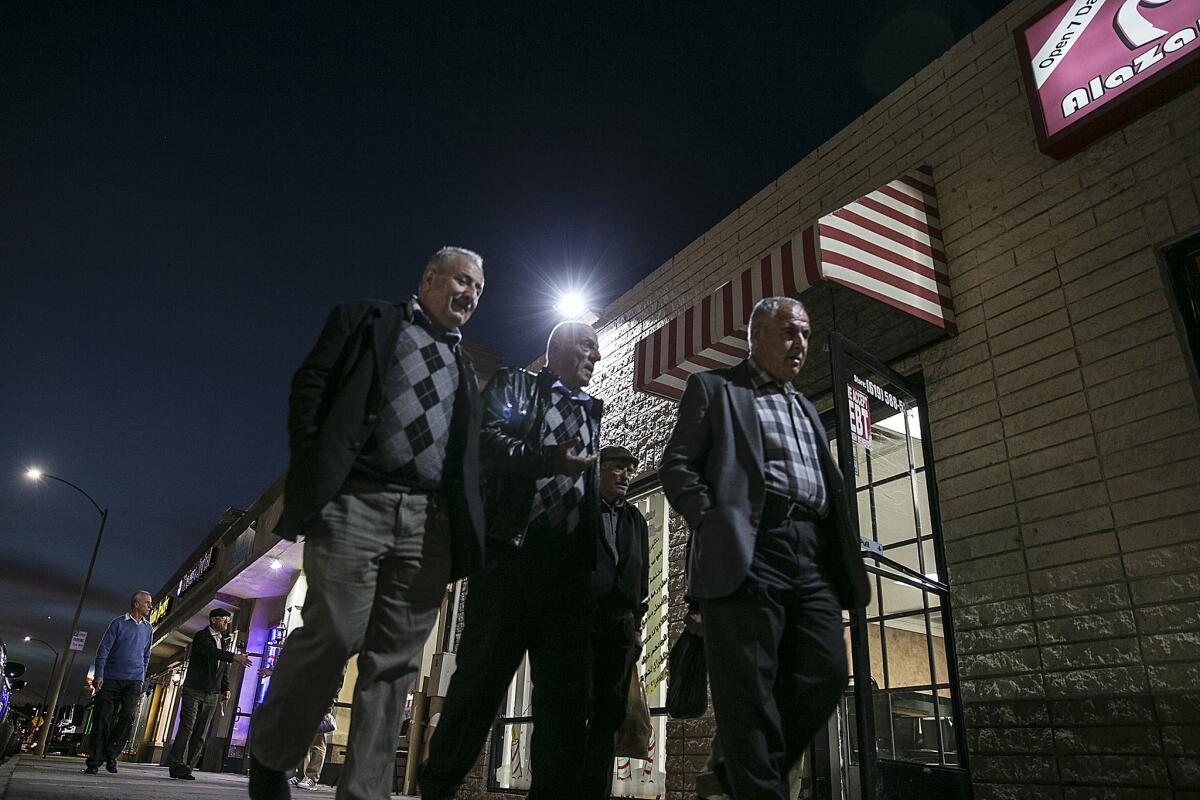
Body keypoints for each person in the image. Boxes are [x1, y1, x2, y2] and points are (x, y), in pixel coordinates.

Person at [249, 247, 487, 800]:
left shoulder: (464, 365)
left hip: (430, 523)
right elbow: (311, 387)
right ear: (429, 278)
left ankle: (364, 793)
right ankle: (271, 755)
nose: (471, 295)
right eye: (462, 281)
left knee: (395, 665)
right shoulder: (366, 320)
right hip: (357, 501)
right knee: (333, 632)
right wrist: (315, 470)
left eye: (479, 289)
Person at [659, 296, 870, 800]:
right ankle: (757, 786)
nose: (800, 344)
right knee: (750, 692)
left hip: (809, 550)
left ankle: (739, 773)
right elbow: (677, 466)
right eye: (788, 332)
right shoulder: (715, 388)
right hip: (749, 546)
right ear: (755, 336)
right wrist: (712, 522)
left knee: (826, 672)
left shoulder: (803, 406)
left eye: (804, 333)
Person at [419, 321, 603, 800]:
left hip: (568, 572)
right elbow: (484, 442)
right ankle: (438, 786)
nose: (596, 358)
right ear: (559, 348)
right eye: (588, 347)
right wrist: (546, 460)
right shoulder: (515, 384)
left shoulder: (592, 410)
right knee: (481, 678)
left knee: (566, 697)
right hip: (512, 557)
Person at [579, 444, 649, 800]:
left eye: (629, 469)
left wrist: (637, 626)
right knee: (577, 708)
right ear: (599, 469)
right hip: (582, 620)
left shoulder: (635, 519)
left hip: (620, 625)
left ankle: (597, 791)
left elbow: (642, 576)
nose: (625, 475)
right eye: (617, 468)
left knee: (609, 713)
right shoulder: (581, 509)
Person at [169, 607, 253, 780]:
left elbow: (222, 668)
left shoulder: (223, 640)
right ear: (214, 619)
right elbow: (211, 652)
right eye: (224, 619)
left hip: (212, 694)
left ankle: (188, 768)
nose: (226, 623)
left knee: (201, 732)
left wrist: (225, 688)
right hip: (194, 690)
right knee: (187, 727)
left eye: (228, 620)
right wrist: (235, 657)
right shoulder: (202, 637)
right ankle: (176, 764)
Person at [85, 590, 154, 775]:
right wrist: (99, 675)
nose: (150, 606)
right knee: (103, 719)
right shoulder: (118, 624)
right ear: (136, 604)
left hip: (133, 681)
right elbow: (103, 650)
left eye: (150, 603)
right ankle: (94, 760)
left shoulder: (148, 629)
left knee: (127, 717)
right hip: (111, 679)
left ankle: (112, 754)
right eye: (147, 602)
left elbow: (146, 655)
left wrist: (141, 676)